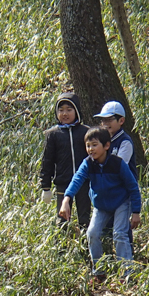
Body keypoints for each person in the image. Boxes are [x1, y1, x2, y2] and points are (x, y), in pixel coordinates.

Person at [59, 127, 141, 283]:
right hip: (101, 206)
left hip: (121, 203)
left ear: (106, 146)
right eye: (88, 145)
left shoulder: (118, 164)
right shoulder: (88, 163)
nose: (91, 149)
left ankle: (127, 273)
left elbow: (132, 186)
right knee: (92, 233)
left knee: (119, 234)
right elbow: (77, 179)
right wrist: (66, 199)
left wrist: (136, 211)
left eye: (94, 145)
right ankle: (99, 272)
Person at [39, 92, 90, 229]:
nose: (64, 114)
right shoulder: (53, 134)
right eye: (61, 110)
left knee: (85, 219)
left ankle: (86, 248)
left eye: (69, 109)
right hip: (63, 183)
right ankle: (62, 249)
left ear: (77, 111)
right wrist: (46, 187)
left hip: (84, 183)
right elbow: (47, 161)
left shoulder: (86, 132)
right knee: (62, 220)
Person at [94, 101, 138, 180]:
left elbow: (118, 167)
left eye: (110, 119)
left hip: (124, 188)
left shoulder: (125, 142)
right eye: (103, 120)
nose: (105, 123)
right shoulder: (102, 140)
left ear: (121, 121)